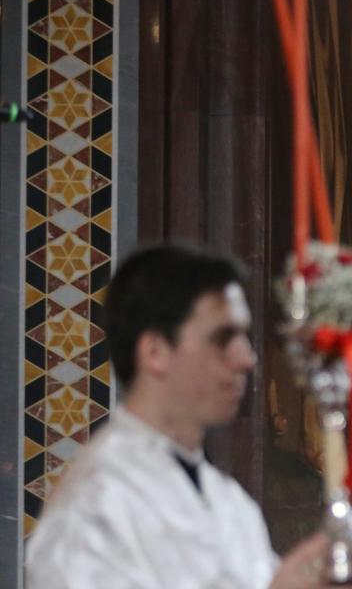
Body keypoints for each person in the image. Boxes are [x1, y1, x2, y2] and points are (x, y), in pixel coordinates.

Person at [25, 245, 333, 588]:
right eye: (223, 337)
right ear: (155, 352)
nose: (247, 359)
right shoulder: (98, 502)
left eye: (244, 337)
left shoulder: (228, 501)